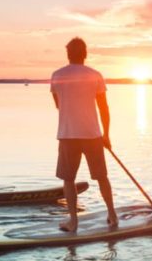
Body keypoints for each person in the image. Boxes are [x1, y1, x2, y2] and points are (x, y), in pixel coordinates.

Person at [50, 37, 118, 232]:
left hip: (68, 133)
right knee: (101, 176)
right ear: (85, 54)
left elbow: (58, 105)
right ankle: (112, 214)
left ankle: (73, 222)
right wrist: (106, 134)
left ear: (68, 54)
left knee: (68, 179)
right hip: (92, 134)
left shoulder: (57, 75)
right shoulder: (95, 75)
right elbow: (104, 108)